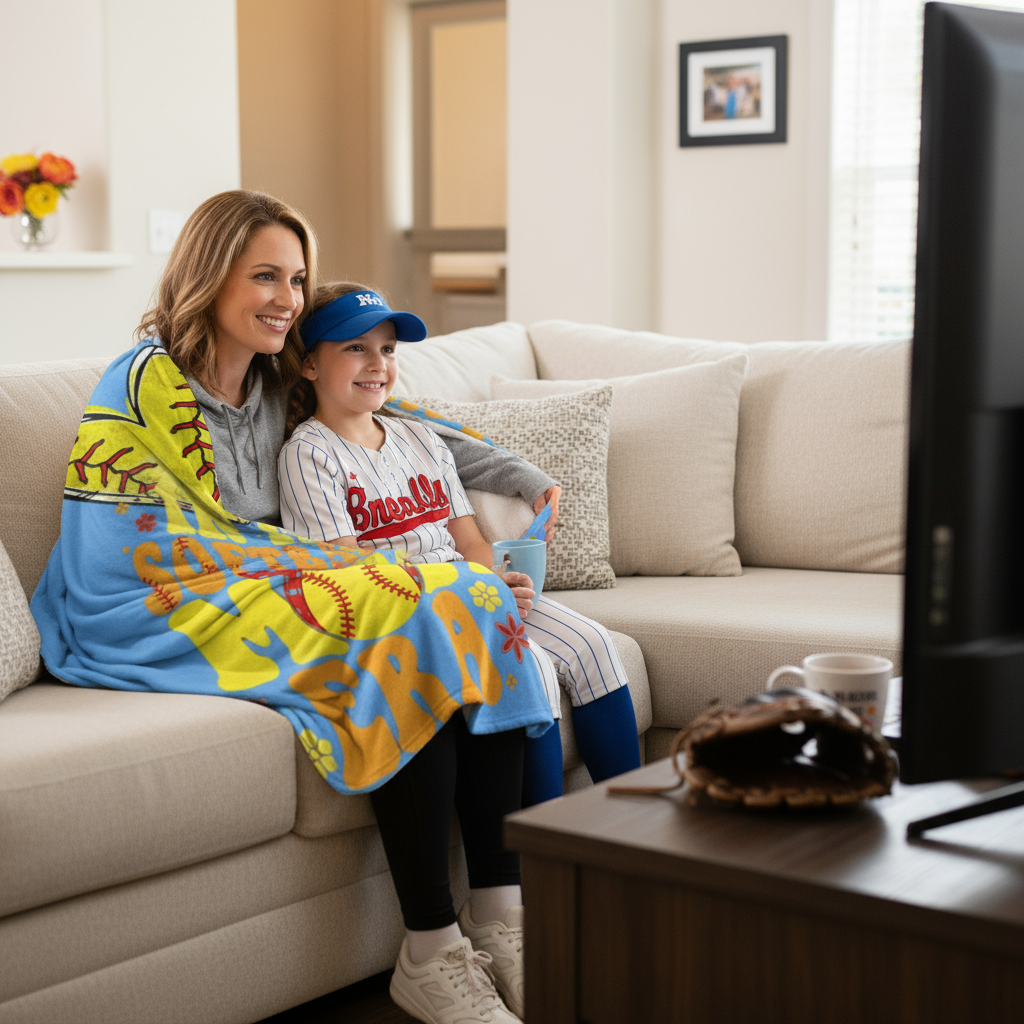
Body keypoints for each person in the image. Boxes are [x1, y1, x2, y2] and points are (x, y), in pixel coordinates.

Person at [32, 191, 555, 1024]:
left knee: (473, 591)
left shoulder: (279, 380)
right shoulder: (142, 381)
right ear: (209, 278)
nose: (287, 298)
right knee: (413, 605)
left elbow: (405, 420)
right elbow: (125, 541)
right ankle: (429, 948)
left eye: (297, 277)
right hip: (153, 598)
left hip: (270, 579)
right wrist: (312, 562)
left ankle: (498, 915)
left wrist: (514, 474)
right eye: (265, 275)